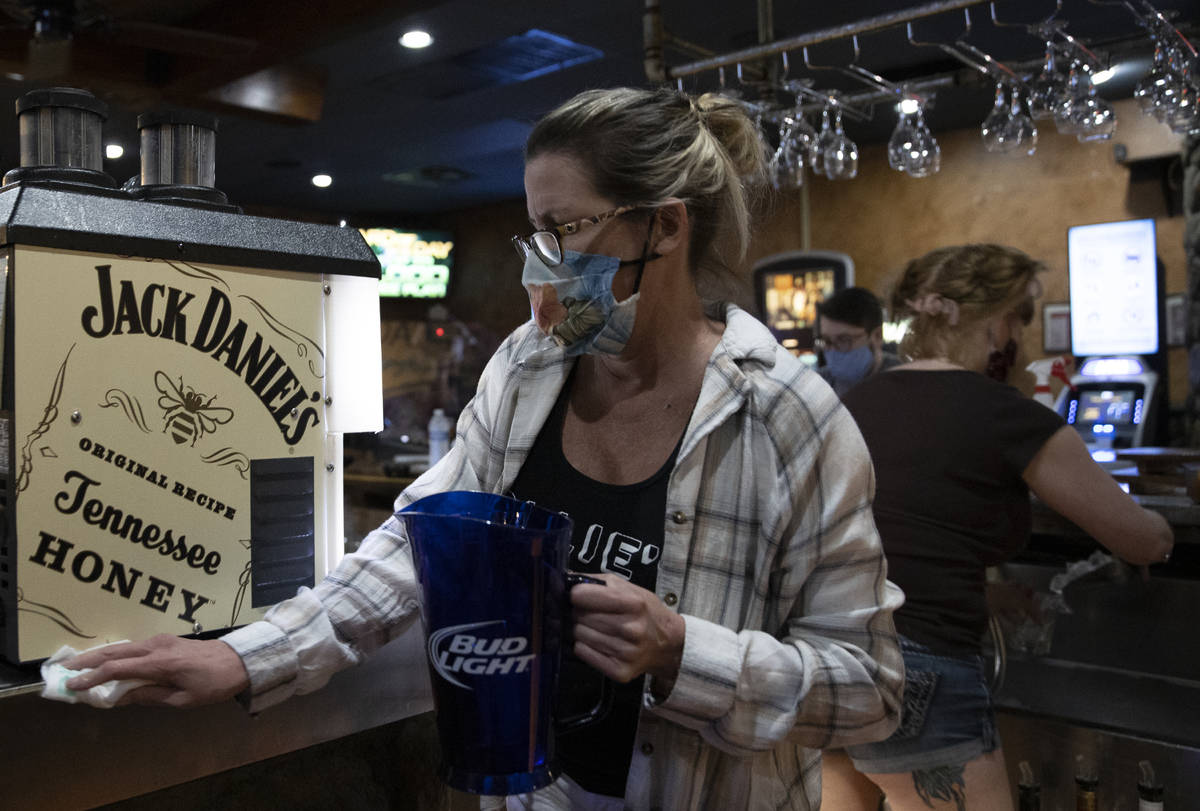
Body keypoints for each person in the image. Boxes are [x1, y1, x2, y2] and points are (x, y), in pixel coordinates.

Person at [65, 87, 905, 810]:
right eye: (532, 233)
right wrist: (244, 657)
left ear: (666, 227)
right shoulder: (529, 367)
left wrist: (686, 651)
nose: (541, 264)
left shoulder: (788, 416)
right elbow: (415, 543)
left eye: (564, 228)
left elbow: (870, 691)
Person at [820, 244, 1174, 811]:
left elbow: (891, 540)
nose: (1017, 336)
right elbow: (1143, 540)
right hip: (922, 673)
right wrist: (1162, 522)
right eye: (1017, 318)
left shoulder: (857, 400)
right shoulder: (1004, 412)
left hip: (832, 661)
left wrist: (989, 595)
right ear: (993, 321)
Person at [815, 286, 902, 397]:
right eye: (826, 340)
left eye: (844, 340)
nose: (832, 350)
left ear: (877, 336)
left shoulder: (904, 379)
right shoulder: (819, 385)